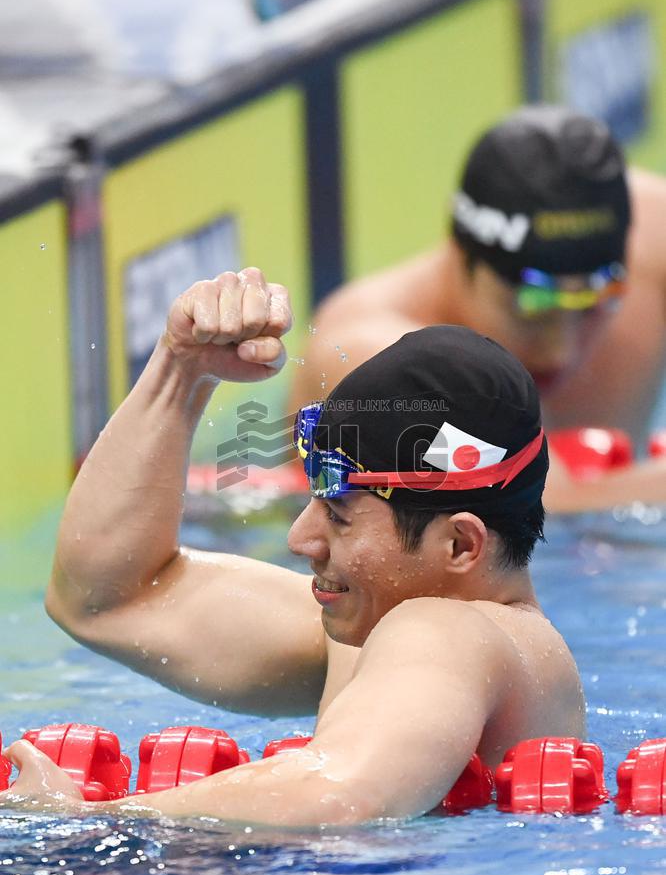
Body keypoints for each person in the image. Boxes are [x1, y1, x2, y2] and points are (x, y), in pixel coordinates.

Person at [4, 269, 584, 823]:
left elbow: (336, 796)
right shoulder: (382, 628)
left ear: (460, 544)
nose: (299, 538)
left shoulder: (446, 632)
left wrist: (84, 822)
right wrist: (181, 371)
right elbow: (107, 600)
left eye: (337, 515)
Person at [288, 106, 666, 512]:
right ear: (461, 254)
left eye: (593, 305)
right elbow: (531, 514)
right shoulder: (369, 358)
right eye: (532, 308)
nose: (561, 351)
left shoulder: (653, 234)